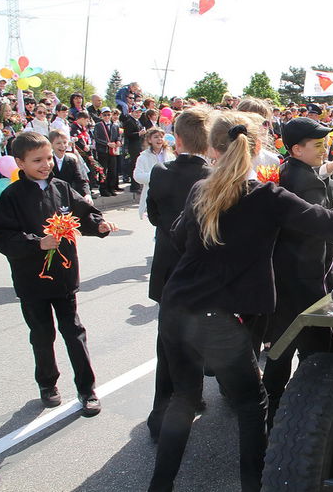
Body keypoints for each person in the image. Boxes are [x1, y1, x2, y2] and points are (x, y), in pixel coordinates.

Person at [147, 111, 333, 492]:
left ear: (214, 149)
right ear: (258, 148)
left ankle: (159, 486)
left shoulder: (203, 189)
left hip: (176, 308)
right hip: (218, 317)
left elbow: (181, 237)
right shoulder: (266, 196)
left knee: (182, 400)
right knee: (252, 406)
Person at [0, 132, 118, 415]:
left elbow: (84, 215)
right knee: (41, 334)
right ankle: (48, 384)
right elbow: (2, 237)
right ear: (20, 162)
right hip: (31, 280)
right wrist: (36, 243)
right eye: (37, 160)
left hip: (63, 275)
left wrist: (98, 225)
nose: (46, 164)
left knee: (74, 332)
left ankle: (87, 389)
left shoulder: (61, 187)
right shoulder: (12, 196)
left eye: (48, 158)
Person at [262, 116, 333, 427]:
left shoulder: (293, 171)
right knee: (316, 352)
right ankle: (306, 416)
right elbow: (320, 224)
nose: (326, 149)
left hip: (286, 275)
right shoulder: (304, 179)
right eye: (319, 145)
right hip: (304, 276)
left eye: (326, 143)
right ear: (297, 149)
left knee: (281, 346)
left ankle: (270, 410)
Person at [144, 107, 213, 441]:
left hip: (169, 264)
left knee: (166, 340)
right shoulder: (213, 175)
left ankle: (161, 410)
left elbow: (155, 214)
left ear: (178, 138)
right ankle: (192, 396)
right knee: (196, 337)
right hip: (200, 267)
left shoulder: (160, 172)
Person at [133, 128, 175, 218]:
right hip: (153, 195)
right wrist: (155, 176)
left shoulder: (170, 156)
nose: (159, 139)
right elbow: (137, 176)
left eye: (161, 137)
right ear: (149, 140)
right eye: (156, 137)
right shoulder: (143, 157)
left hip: (169, 196)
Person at [48, 130, 92, 203]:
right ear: (51, 145)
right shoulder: (48, 161)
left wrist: (87, 194)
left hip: (68, 197)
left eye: (65, 142)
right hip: (52, 198)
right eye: (58, 143)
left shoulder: (71, 160)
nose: (62, 146)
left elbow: (80, 180)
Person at [93, 107, 122, 196]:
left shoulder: (115, 125)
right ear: (101, 115)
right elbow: (97, 138)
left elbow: (118, 136)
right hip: (103, 151)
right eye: (104, 115)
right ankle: (103, 189)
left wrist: (118, 141)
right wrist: (107, 143)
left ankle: (111, 187)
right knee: (103, 170)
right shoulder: (98, 125)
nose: (107, 117)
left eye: (108, 115)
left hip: (112, 151)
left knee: (112, 170)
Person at [121, 105, 145, 192]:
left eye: (140, 112)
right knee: (134, 165)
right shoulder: (129, 121)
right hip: (132, 146)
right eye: (136, 112)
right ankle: (134, 186)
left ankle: (137, 185)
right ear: (132, 112)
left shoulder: (137, 121)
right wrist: (139, 133)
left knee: (138, 164)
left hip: (138, 145)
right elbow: (128, 135)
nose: (138, 114)